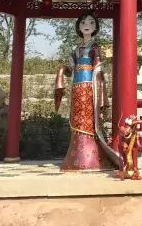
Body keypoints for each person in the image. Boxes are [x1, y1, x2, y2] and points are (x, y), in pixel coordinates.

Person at [54, 12, 118, 170]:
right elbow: (71, 69)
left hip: (90, 87)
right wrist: (61, 70)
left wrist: (101, 91)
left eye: (91, 22)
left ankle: (94, 154)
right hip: (77, 88)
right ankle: (76, 153)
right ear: (79, 27)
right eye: (83, 23)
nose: (87, 25)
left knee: (89, 118)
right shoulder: (75, 50)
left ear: (95, 27)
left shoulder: (95, 48)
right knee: (77, 117)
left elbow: (99, 70)